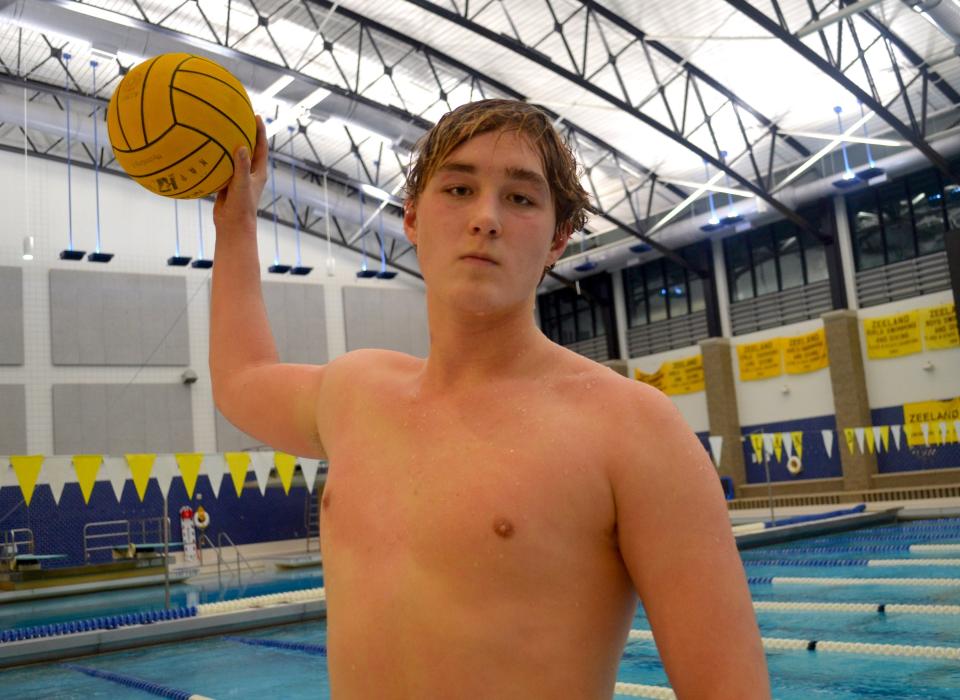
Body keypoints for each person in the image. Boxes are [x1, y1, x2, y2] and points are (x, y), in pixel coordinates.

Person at [210, 99, 770, 699]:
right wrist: (238, 224)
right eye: (457, 189)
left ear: (558, 239)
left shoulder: (630, 427)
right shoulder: (355, 393)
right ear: (412, 218)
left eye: (521, 198)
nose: (486, 218)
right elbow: (242, 378)